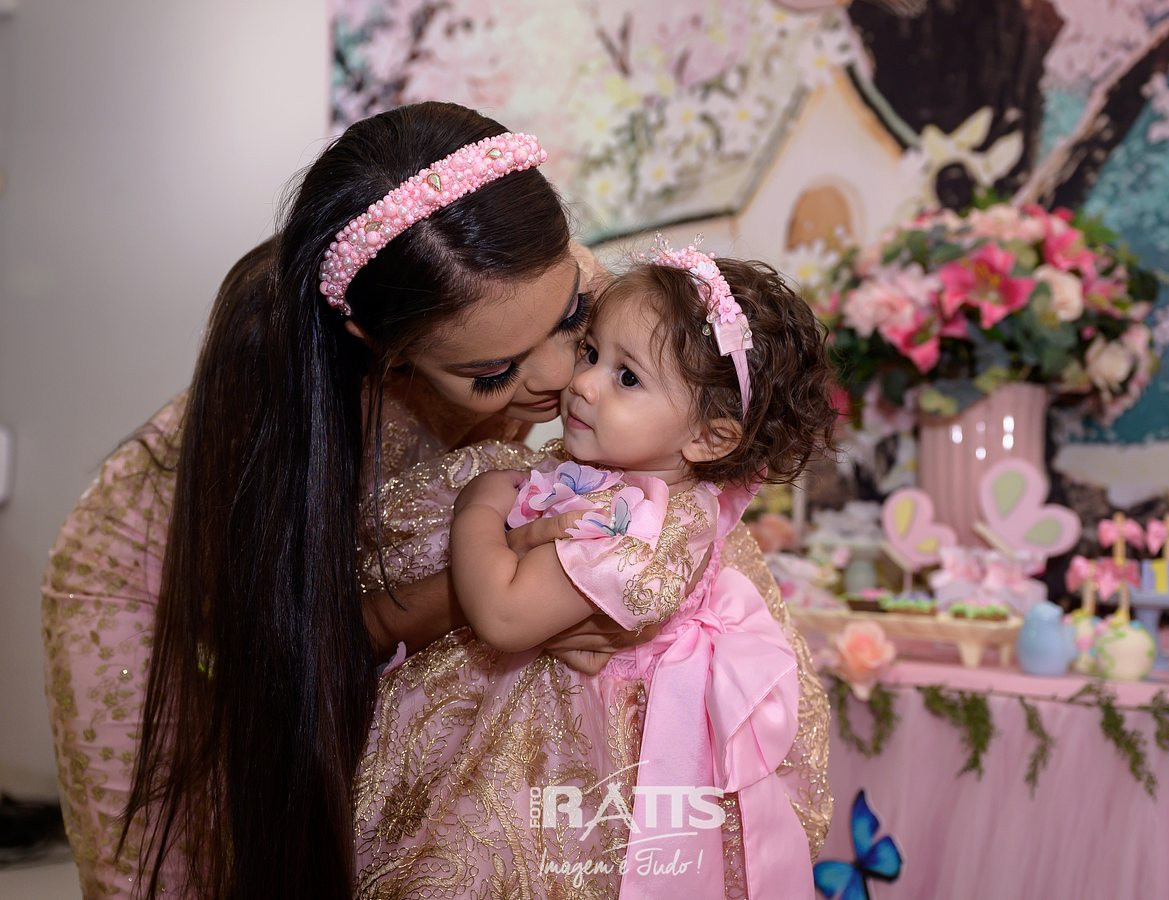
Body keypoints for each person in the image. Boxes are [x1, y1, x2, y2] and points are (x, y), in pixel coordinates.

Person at [41, 101, 829, 899]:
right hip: (154, 577)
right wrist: (502, 589)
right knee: (179, 863)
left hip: (437, 570)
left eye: (574, 324)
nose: (566, 377)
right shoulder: (306, 408)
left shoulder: (563, 284)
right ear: (385, 352)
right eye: (495, 373)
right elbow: (321, 630)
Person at [351, 245, 835, 897]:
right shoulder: (653, 482)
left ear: (709, 439)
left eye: (626, 377)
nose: (580, 382)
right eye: (591, 352)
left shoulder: (629, 520)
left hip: (557, 746)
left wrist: (479, 507)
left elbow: (502, 616)